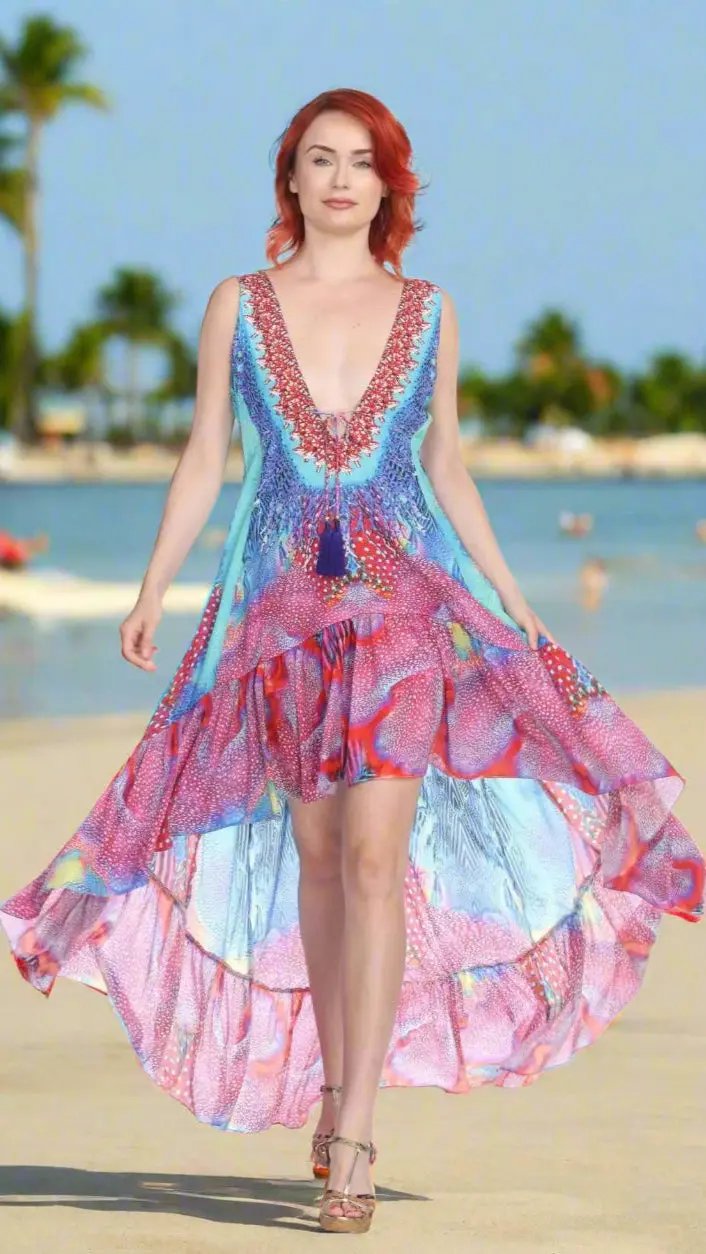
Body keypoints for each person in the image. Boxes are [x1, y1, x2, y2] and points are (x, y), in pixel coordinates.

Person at [1, 88, 703, 1237]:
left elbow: (446, 466)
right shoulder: (237, 305)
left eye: (360, 162)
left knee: (375, 861)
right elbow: (205, 458)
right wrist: (150, 587)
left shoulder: (428, 312)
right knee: (321, 864)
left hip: (403, 623)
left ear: (388, 184)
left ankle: (358, 1130)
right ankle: (333, 1086)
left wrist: (513, 600)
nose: (339, 179)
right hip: (281, 628)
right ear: (290, 178)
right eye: (319, 159)